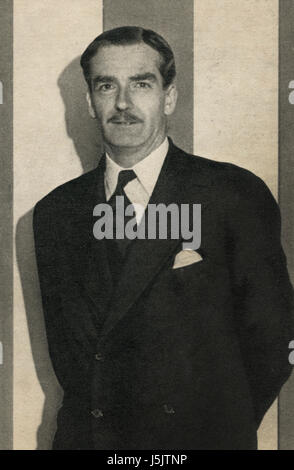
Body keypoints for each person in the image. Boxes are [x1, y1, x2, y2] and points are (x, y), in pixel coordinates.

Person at [33, 26, 294, 450]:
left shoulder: (232, 194)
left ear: (168, 96)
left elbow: (272, 341)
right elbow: (73, 359)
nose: (122, 103)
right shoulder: (54, 213)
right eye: (106, 86)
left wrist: (220, 427)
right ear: (88, 102)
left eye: (141, 84)